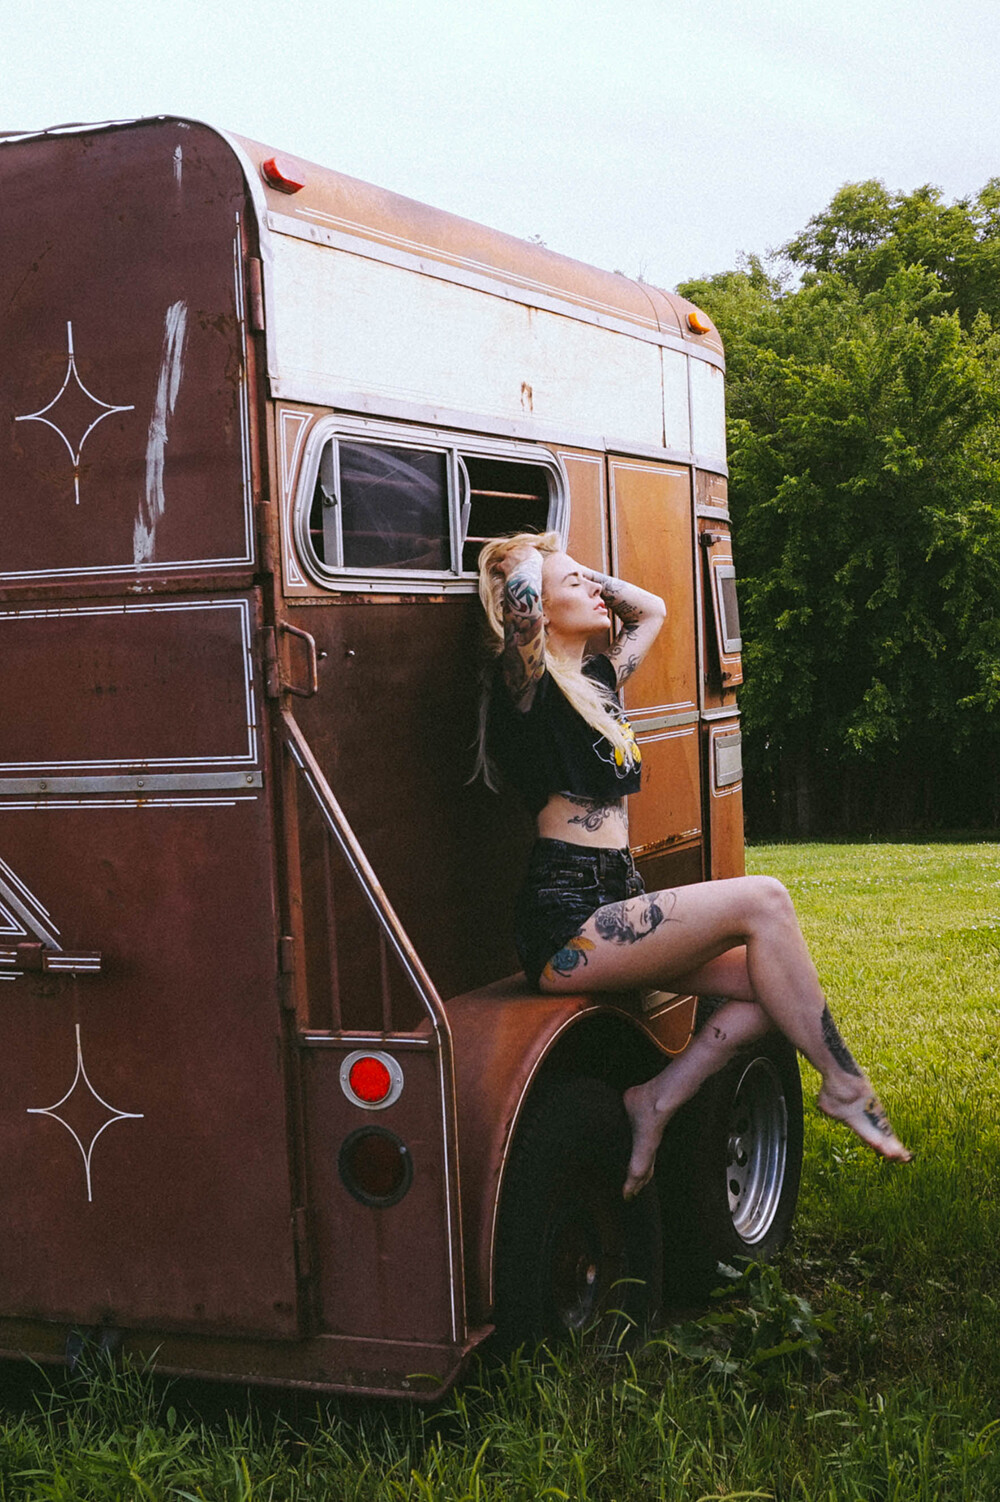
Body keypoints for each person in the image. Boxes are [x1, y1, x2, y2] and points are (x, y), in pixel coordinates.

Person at [477, 530, 912, 1200]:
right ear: (535, 607)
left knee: (773, 982)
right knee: (765, 900)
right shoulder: (527, 689)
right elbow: (523, 599)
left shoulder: (597, 681)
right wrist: (532, 559)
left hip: (616, 895)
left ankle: (656, 1099)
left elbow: (651, 609)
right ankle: (845, 1084)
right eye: (573, 583)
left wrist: (576, 572)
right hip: (565, 920)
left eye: (590, 577)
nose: (593, 585)